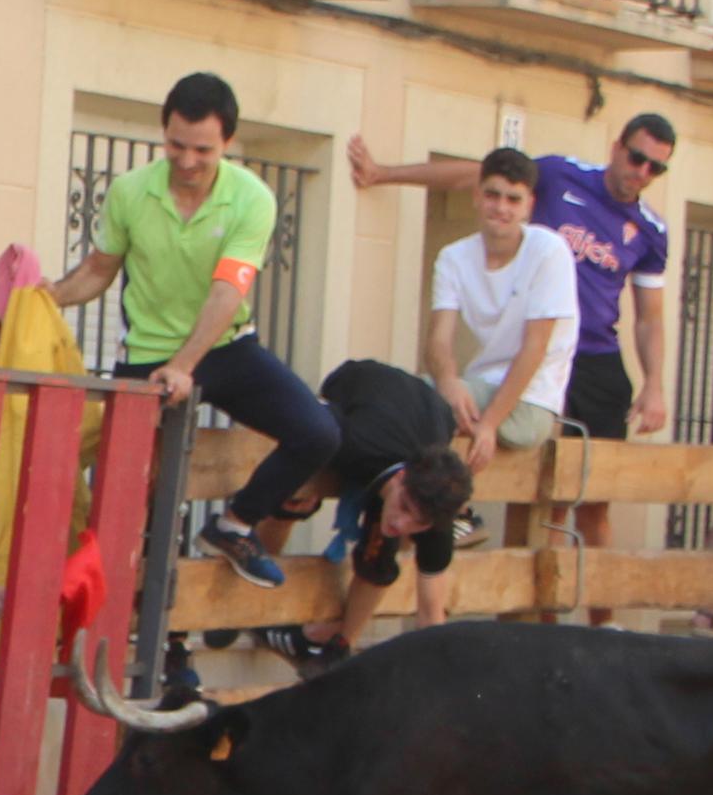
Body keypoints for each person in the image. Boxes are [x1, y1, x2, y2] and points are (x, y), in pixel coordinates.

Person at [353, 112, 674, 580]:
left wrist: (655, 384)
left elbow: (651, 315)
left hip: (594, 359)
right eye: (637, 158)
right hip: (519, 356)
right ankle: (433, 535)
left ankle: (607, 623)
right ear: (617, 146)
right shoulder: (560, 176)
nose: (642, 172)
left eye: (656, 169)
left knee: (588, 503)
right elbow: (480, 174)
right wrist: (387, 174)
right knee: (544, 507)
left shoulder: (650, 230)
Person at [49, 71, 330, 591]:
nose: (187, 161)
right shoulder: (131, 192)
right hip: (145, 357)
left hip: (224, 347)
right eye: (176, 145)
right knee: (144, 494)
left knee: (317, 432)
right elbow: (99, 268)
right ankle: (152, 628)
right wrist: (46, 297)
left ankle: (236, 525)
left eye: (203, 149)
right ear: (163, 133)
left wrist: (184, 367)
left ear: (228, 141)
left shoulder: (253, 198)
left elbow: (229, 291)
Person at [243, 360, 477, 672]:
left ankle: (340, 645)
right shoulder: (356, 442)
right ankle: (247, 598)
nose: (402, 523)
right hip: (352, 389)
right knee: (293, 500)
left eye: (418, 523)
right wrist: (303, 472)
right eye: (405, 507)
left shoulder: (434, 514)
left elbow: (431, 617)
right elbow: (304, 415)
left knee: (381, 549)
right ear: (400, 478)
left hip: (425, 413)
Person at [424, 147, 580, 474]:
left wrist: (489, 424)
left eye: (513, 199)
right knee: (412, 399)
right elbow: (439, 339)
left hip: (532, 400)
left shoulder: (549, 251)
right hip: (479, 387)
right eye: (493, 195)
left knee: (421, 407)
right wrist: (449, 381)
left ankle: (456, 513)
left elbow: (535, 346)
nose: (501, 208)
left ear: (529, 206)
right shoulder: (453, 257)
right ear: (477, 196)